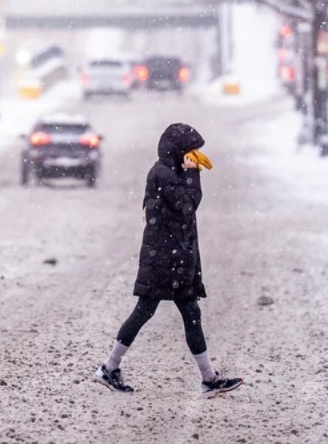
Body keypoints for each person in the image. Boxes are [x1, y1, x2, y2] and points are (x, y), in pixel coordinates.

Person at [94, 123, 243, 398]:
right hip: (165, 259)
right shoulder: (165, 174)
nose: (196, 155)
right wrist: (193, 173)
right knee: (150, 311)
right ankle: (110, 367)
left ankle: (207, 377)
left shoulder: (168, 171)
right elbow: (189, 206)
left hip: (172, 258)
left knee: (182, 314)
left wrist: (188, 172)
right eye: (192, 150)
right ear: (179, 151)